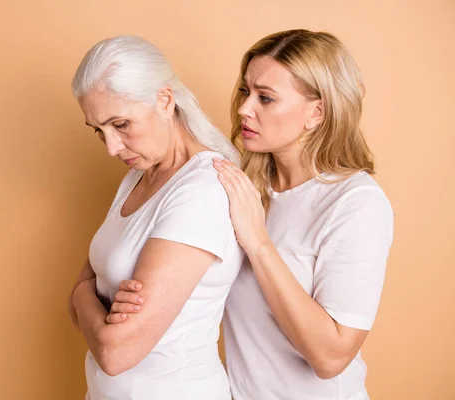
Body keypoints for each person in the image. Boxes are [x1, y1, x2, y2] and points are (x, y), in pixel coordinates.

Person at [111, 30, 394, 400]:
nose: (245, 108)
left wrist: (258, 244)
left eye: (266, 98)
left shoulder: (355, 203)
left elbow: (331, 357)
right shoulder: (241, 184)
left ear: (317, 113)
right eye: (246, 91)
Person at [67, 35, 244, 400]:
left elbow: (117, 353)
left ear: (164, 100)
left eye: (121, 124)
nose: (112, 147)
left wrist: (85, 291)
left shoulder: (201, 190)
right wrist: (89, 300)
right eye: (99, 131)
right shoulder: (138, 175)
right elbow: (78, 315)